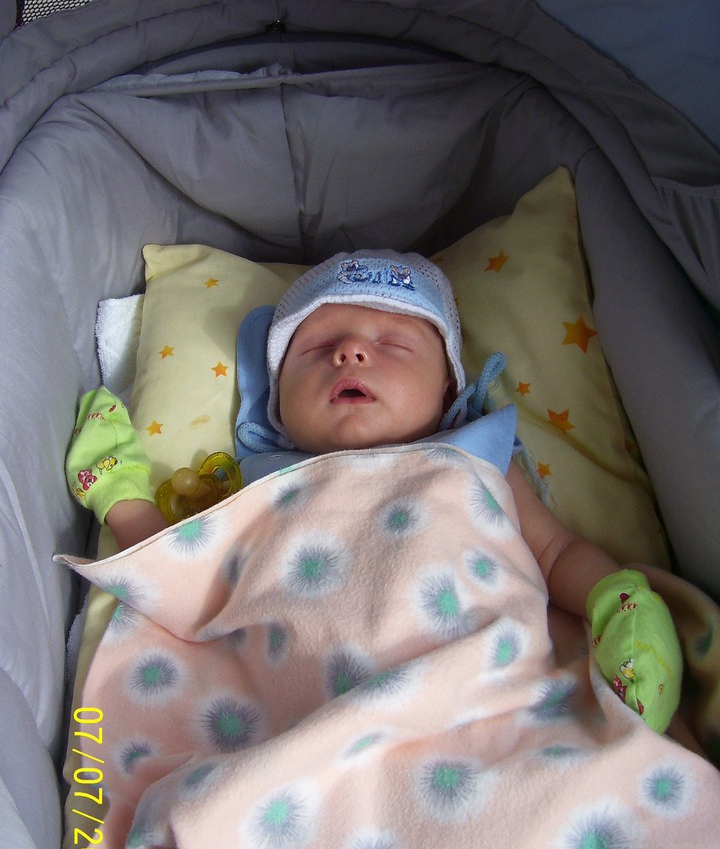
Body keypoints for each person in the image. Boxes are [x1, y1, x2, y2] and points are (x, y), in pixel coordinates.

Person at [65, 250, 682, 730]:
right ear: (276, 405)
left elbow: (556, 552)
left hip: (481, 694)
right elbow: (192, 578)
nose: (352, 352)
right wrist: (118, 490)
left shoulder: (476, 456)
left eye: (393, 343)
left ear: (448, 389)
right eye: (316, 348)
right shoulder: (263, 483)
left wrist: (617, 601)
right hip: (309, 707)